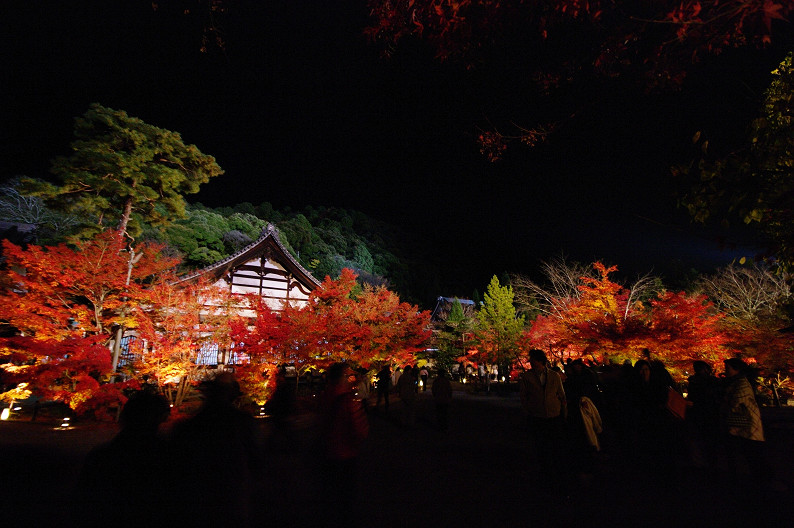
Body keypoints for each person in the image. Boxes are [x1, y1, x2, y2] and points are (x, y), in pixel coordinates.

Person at [169, 371, 262, 528]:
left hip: (198, 499)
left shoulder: (188, 427)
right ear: (232, 393)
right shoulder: (243, 423)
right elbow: (256, 460)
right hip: (233, 495)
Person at [73, 390, 172, 528]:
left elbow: (83, 503)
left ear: (125, 416)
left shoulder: (102, 457)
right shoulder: (168, 457)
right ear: (162, 417)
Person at [318, 362, 369, 528]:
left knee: (329, 495)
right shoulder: (349, 401)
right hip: (346, 455)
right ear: (342, 378)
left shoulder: (324, 397)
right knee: (346, 497)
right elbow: (361, 429)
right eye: (348, 376)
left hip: (326, 452)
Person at [519, 349, 567, 491]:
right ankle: (545, 470)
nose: (532, 362)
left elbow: (561, 394)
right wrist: (528, 409)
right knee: (541, 444)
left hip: (553, 414)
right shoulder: (527, 377)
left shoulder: (554, 376)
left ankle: (555, 470)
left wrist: (563, 411)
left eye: (534, 360)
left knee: (555, 444)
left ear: (541, 361)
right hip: (537, 415)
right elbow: (524, 396)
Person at [720, 357, 766, 494]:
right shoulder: (736, 382)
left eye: (728, 368)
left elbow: (735, 402)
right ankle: (755, 480)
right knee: (748, 453)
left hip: (746, 424)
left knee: (750, 453)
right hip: (740, 424)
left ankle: (758, 481)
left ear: (736, 369)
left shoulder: (741, 384)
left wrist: (723, 403)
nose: (725, 370)